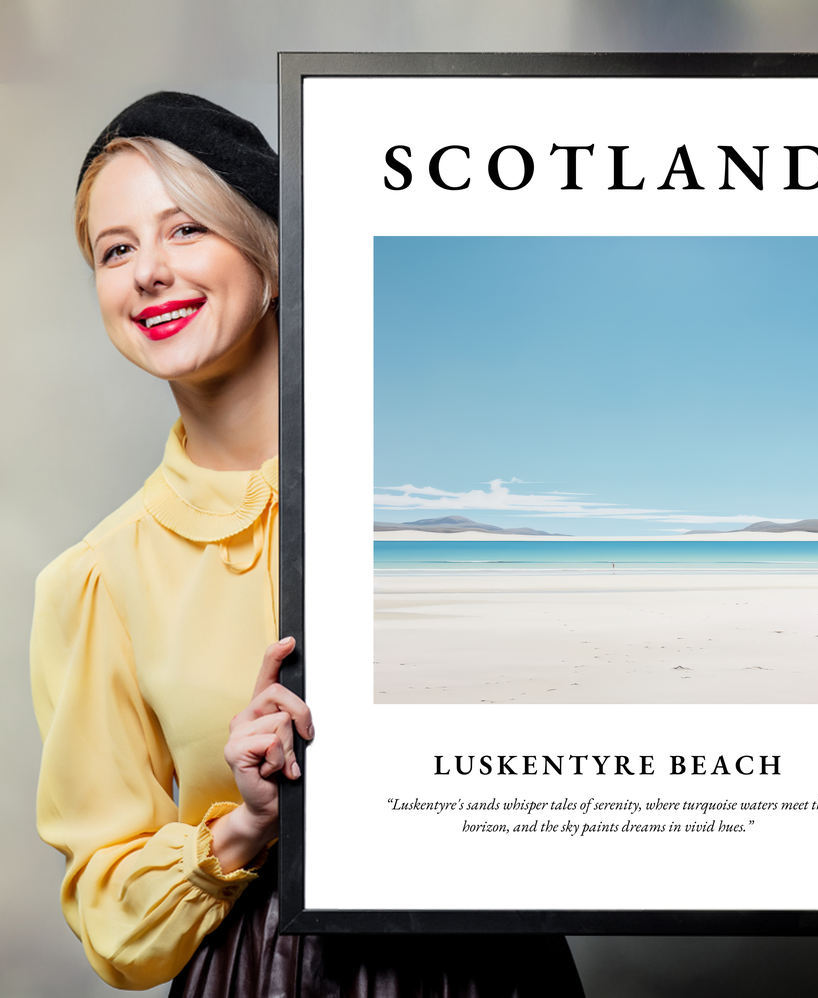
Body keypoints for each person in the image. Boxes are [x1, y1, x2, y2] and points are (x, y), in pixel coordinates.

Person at [30, 92, 585, 996]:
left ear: (273, 256)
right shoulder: (97, 579)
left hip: (492, 965)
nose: (148, 273)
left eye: (186, 231)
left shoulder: (442, 488)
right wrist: (245, 824)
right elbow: (110, 915)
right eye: (116, 249)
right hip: (262, 974)